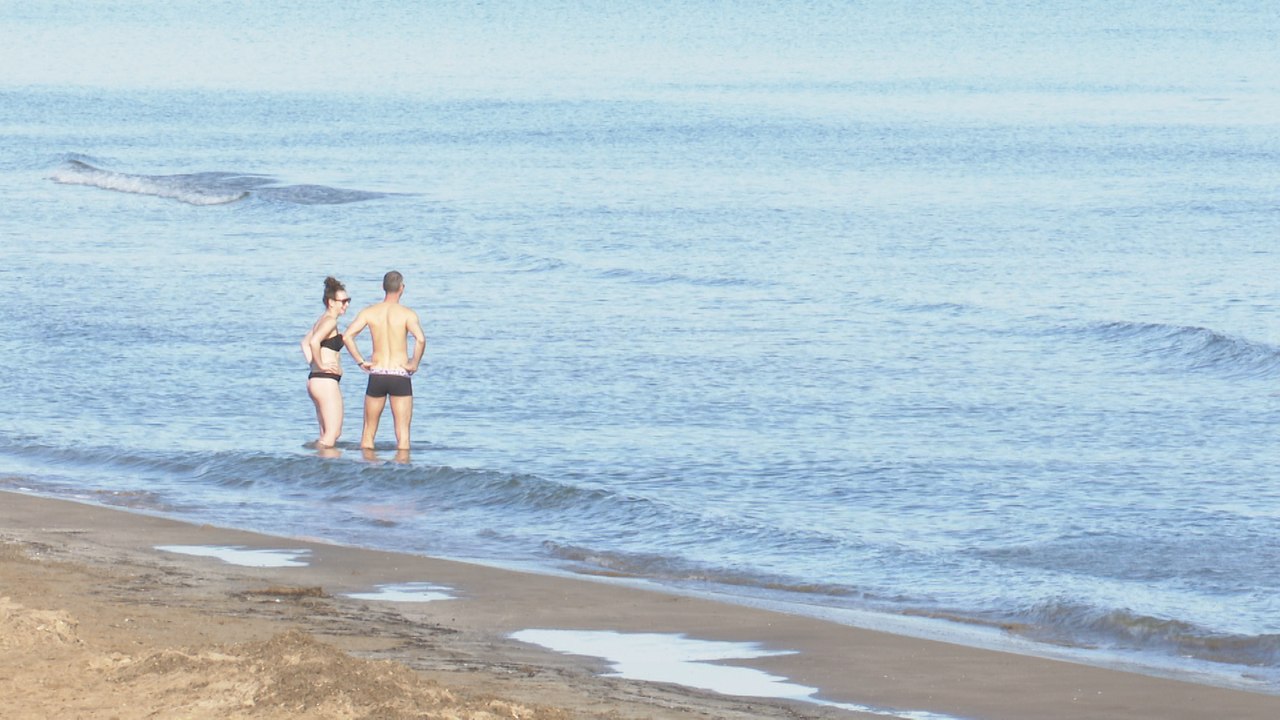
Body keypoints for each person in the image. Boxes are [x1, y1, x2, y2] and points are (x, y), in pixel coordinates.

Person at [343, 271, 425, 451]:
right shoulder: (407, 314)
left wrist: (360, 361)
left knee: (368, 433)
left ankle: (369, 474)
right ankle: (402, 474)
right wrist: (414, 363)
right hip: (399, 374)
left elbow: (348, 336)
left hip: (378, 373)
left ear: (383, 287)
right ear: (402, 288)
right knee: (403, 434)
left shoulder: (369, 312)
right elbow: (420, 339)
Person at [300, 276, 352, 448]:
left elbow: (304, 343)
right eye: (343, 301)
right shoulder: (330, 321)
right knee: (333, 433)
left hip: (316, 379)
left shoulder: (322, 320)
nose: (346, 305)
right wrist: (321, 365)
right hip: (325, 382)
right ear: (331, 302)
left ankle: (319, 465)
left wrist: (313, 365)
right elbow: (314, 342)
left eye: (348, 301)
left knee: (325, 433)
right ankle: (324, 470)